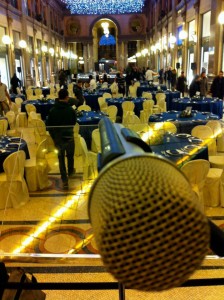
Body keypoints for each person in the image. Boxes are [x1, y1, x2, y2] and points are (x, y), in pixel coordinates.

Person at [47, 89, 76, 189]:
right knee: (70, 155)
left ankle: (64, 179)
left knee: (61, 159)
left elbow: (48, 125)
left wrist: (54, 137)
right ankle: (71, 171)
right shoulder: (70, 110)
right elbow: (73, 122)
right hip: (69, 137)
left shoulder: (52, 110)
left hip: (58, 138)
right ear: (67, 97)